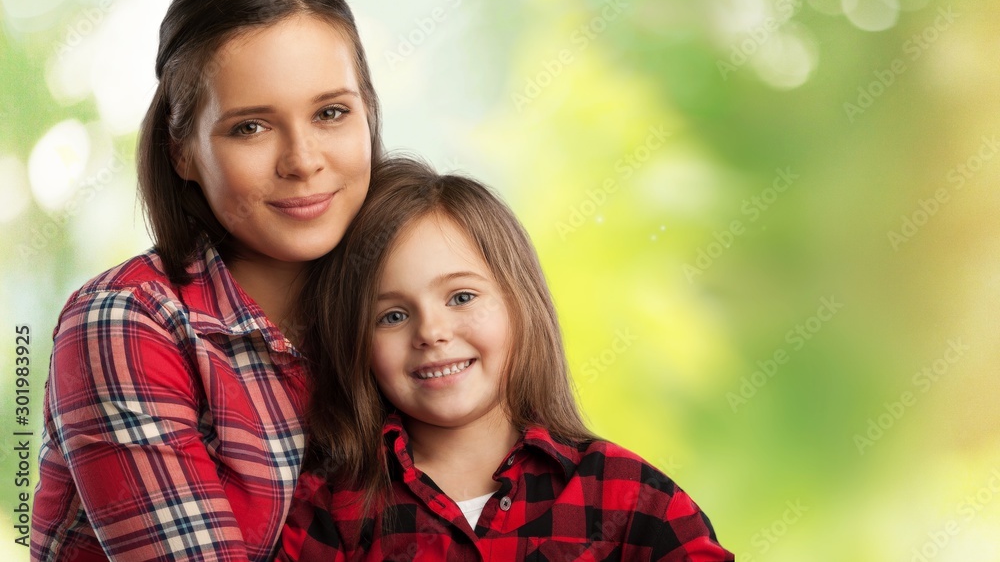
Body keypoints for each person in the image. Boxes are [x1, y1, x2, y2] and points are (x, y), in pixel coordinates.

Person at [30, 0, 382, 562]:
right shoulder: (126, 322)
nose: (302, 160)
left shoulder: (404, 307)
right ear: (182, 153)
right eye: (250, 128)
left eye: (331, 113)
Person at [278, 157, 734, 560]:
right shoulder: (331, 512)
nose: (432, 332)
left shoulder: (632, 500)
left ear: (520, 304)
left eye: (461, 297)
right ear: (355, 342)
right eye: (392, 315)